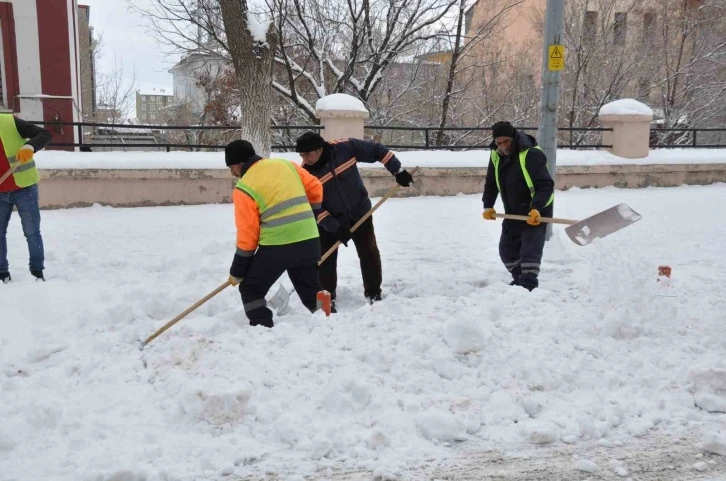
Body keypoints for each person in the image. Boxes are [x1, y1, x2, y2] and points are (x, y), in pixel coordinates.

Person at [295, 131, 414, 311]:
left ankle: (373, 293)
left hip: (360, 212)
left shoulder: (345, 147)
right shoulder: (306, 174)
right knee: (325, 259)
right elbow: (314, 209)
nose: (305, 159)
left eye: (308, 154)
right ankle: (326, 299)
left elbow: (377, 150)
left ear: (319, 149)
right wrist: (335, 228)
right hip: (330, 221)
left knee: (369, 252)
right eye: (302, 155)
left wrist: (397, 170)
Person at [225, 139, 328, 328]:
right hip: (309, 239)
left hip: (278, 246)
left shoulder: (244, 188)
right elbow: (316, 187)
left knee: (251, 288)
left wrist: (238, 270)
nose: (233, 173)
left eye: (231, 168)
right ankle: (329, 316)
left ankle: (263, 329)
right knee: (310, 287)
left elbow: (248, 234)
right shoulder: (285, 165)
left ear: (238, 164)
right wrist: (310, 216)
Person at [482, 121, 555, 291]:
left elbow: (545, 185)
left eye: (506, 141)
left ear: (513, 137)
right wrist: (488, 205)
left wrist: (536, 208)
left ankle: (528, 285)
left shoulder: (531, 154)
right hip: (512, 211)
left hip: (536, 210)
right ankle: (520, 280)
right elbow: (491, 182)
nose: (503, 146)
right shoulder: (496, 154)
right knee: (507, 251)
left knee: (530, 251)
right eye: (499, 143)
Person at [0, 114, 52, 284]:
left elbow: (44, 134)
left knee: (31, 232)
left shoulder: (8, 121)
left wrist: (30, 146)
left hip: (25, 189)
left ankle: (37, 272)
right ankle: (2, 273)